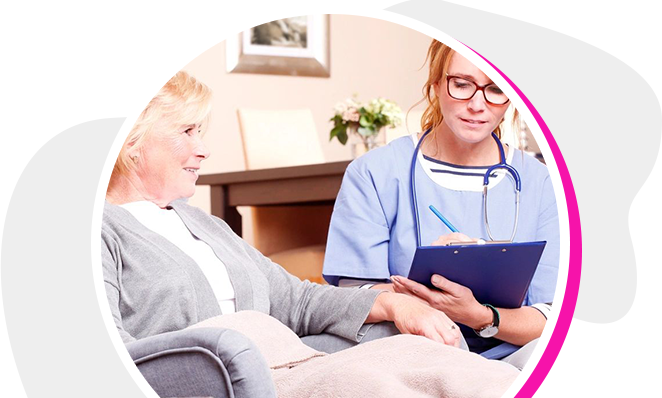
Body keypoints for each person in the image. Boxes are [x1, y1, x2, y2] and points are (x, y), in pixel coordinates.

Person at [102, 70, 463, 366]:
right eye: (187, 131)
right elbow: (113, 350)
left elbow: (297, 300)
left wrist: (392, 302)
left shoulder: (202, 223)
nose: (204, 149)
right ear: (132, 139)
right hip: (225, 384)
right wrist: (235, 393)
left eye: (201, 132)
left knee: (422, 339)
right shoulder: (101, 231)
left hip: (283, 362)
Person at [322, 40, 560, 369]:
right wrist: (424, 296)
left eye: (496, 89)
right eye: (461, 84)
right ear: (436, 84)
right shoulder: (375, 172)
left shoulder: (540, 182)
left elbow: (550, 315)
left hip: (514, 355)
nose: (478, 104)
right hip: (412, 349)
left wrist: (480, 316)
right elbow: (352, 296)